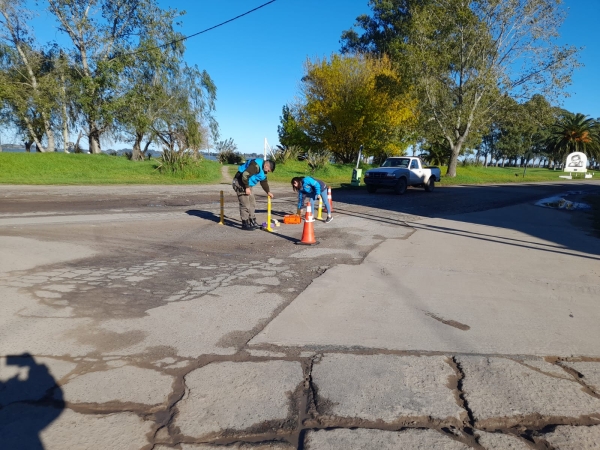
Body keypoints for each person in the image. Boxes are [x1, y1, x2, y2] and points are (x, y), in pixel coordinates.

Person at [232, 158, 276, 230]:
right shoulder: (255, 166)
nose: (267, 172)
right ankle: (245, 223)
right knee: (245, 204)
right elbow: (245, 175)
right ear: (266, 166)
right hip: (240, 182)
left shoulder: (263, 170)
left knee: (252, 203)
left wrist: (268, 191)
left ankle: (252, 220)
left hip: (248, 184)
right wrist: (246, 187)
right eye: (268, 170)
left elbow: (263, 181)